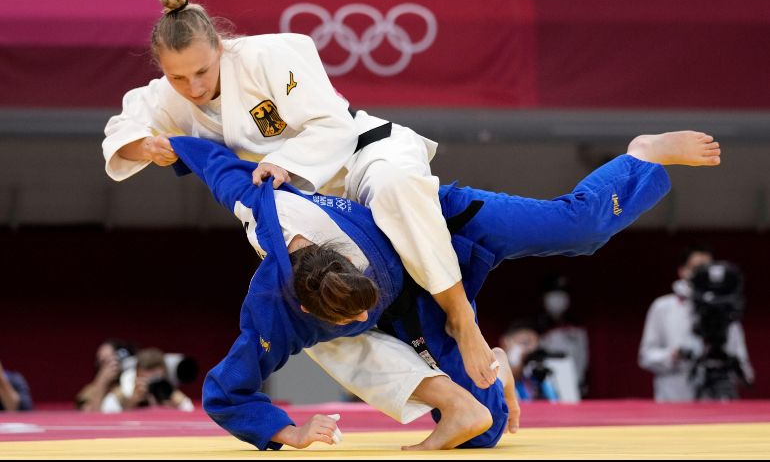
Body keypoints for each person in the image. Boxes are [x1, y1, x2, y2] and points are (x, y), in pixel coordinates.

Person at [167, 128, 720, 450]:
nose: (345, 329)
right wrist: (287, 432)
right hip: (415, 301)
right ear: (310, 308)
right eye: (345, 323)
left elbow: (228, 169)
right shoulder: (277, 311)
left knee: (581, 230)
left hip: (443, 224)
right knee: (483, 431)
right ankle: (492, 365)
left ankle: (640, 155)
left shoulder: (318, 216)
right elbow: (226, 389)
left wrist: (172, 145)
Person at [102, 0, 497, 390]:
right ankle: (437, 393)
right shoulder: (168, 96)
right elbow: (122, 131)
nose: (194, 88)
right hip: (296, 204)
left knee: (398, 184)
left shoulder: (269, 56)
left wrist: (282, 161)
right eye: (178, 77)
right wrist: (144, 146)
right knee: (304, 302)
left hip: (354, 159)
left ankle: (460, 318)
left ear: (221, 46)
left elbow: (332, 124)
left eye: (202, 71)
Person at [638, 245, 754, 402]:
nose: (704, 273)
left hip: (717, 404)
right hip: (674, 400)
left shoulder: (726, 308)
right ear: (682, 271)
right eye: (698, 268)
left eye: (708, 268)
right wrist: (673, 356)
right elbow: (646, 356)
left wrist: (727, 363)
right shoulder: (663, 307)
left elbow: (744, 366)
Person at [534, 274, 590, 397]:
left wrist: (579, 381)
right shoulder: (535, 325)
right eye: (553, 293)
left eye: (562, 294)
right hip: (544, 387)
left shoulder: (576, 325)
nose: (558, 299)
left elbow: (582, 357)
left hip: (572, 385)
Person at [100, 347, 194, 413]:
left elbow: (189, 411)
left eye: (155, 379)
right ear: (136, 374)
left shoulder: (169, 394)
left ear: (164, 374)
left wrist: (176, 403)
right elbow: (108, 417)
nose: (150, 384)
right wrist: (132, 402)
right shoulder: (119, 396)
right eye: (145, 379)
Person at [75, 339, 136, 411]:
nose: (106, 368)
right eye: (102, 362)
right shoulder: (90, 390)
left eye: (112, 361)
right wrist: (101, 383)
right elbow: (91, 416)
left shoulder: (132, 385)